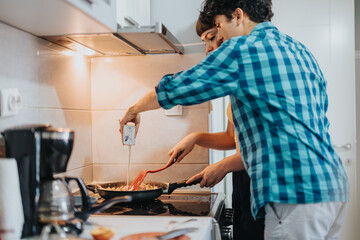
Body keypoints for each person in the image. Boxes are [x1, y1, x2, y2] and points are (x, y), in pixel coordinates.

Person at [119, 0, 349, 239]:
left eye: (219, 26)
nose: (220, 36)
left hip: (294, 190)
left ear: (238, 16)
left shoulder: (244, 48)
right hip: (333, 185)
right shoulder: (299, 49)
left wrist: (134, 109)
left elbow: (181, 87)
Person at [167, 17, 264, 240]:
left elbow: (263, 149)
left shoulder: (254, 73)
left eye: (212, 37)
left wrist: (221, 166)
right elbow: (233, 137)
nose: (209, 48)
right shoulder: (237, 84)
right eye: (205, 42)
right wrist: (196, 137)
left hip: (261, 178)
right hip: (243, 177)